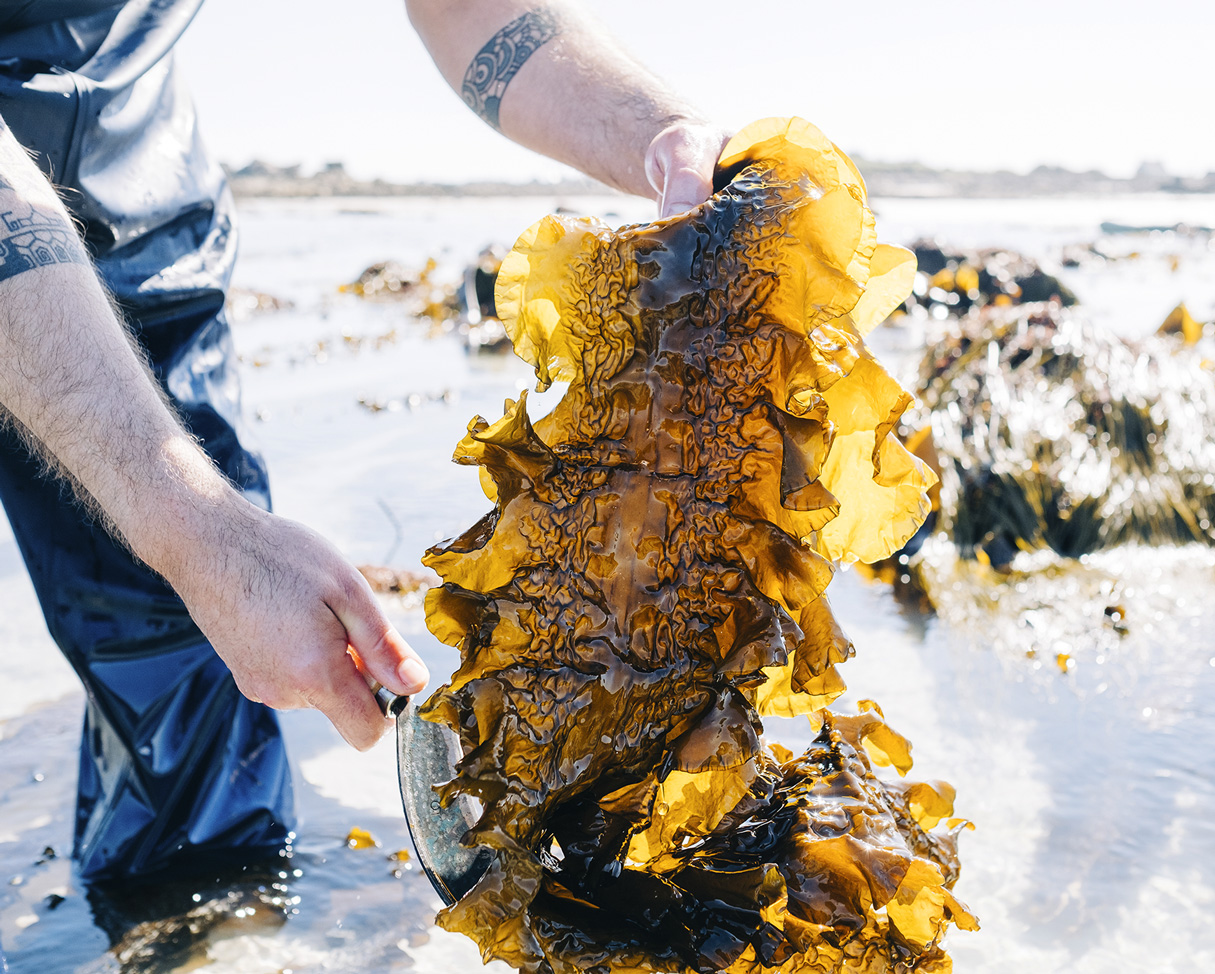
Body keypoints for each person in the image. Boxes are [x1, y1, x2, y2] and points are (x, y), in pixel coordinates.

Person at [0, 0, 726, 884]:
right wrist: (198, 533)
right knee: (190, 562)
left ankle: (203, 898)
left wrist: (662, 133)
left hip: (143, 177)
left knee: (186, 669)